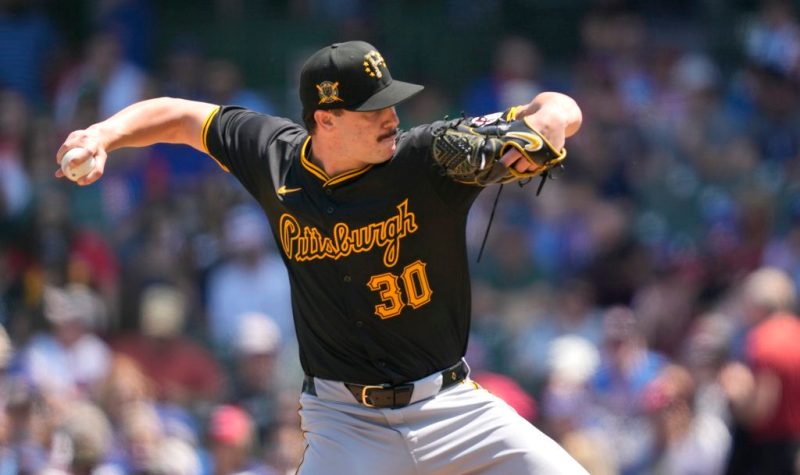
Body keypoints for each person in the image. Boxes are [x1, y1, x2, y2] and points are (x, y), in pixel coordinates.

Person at [56, 40, 586, 474]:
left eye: (392, 101)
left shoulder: (427, 156)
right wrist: (103, 135)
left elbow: (558, 108)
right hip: (344, 422)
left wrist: (550, 124)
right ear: (325, 119)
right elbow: (179, 118)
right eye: (373, 108)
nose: (392, 117)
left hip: (451, 407)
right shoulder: (274, 158)